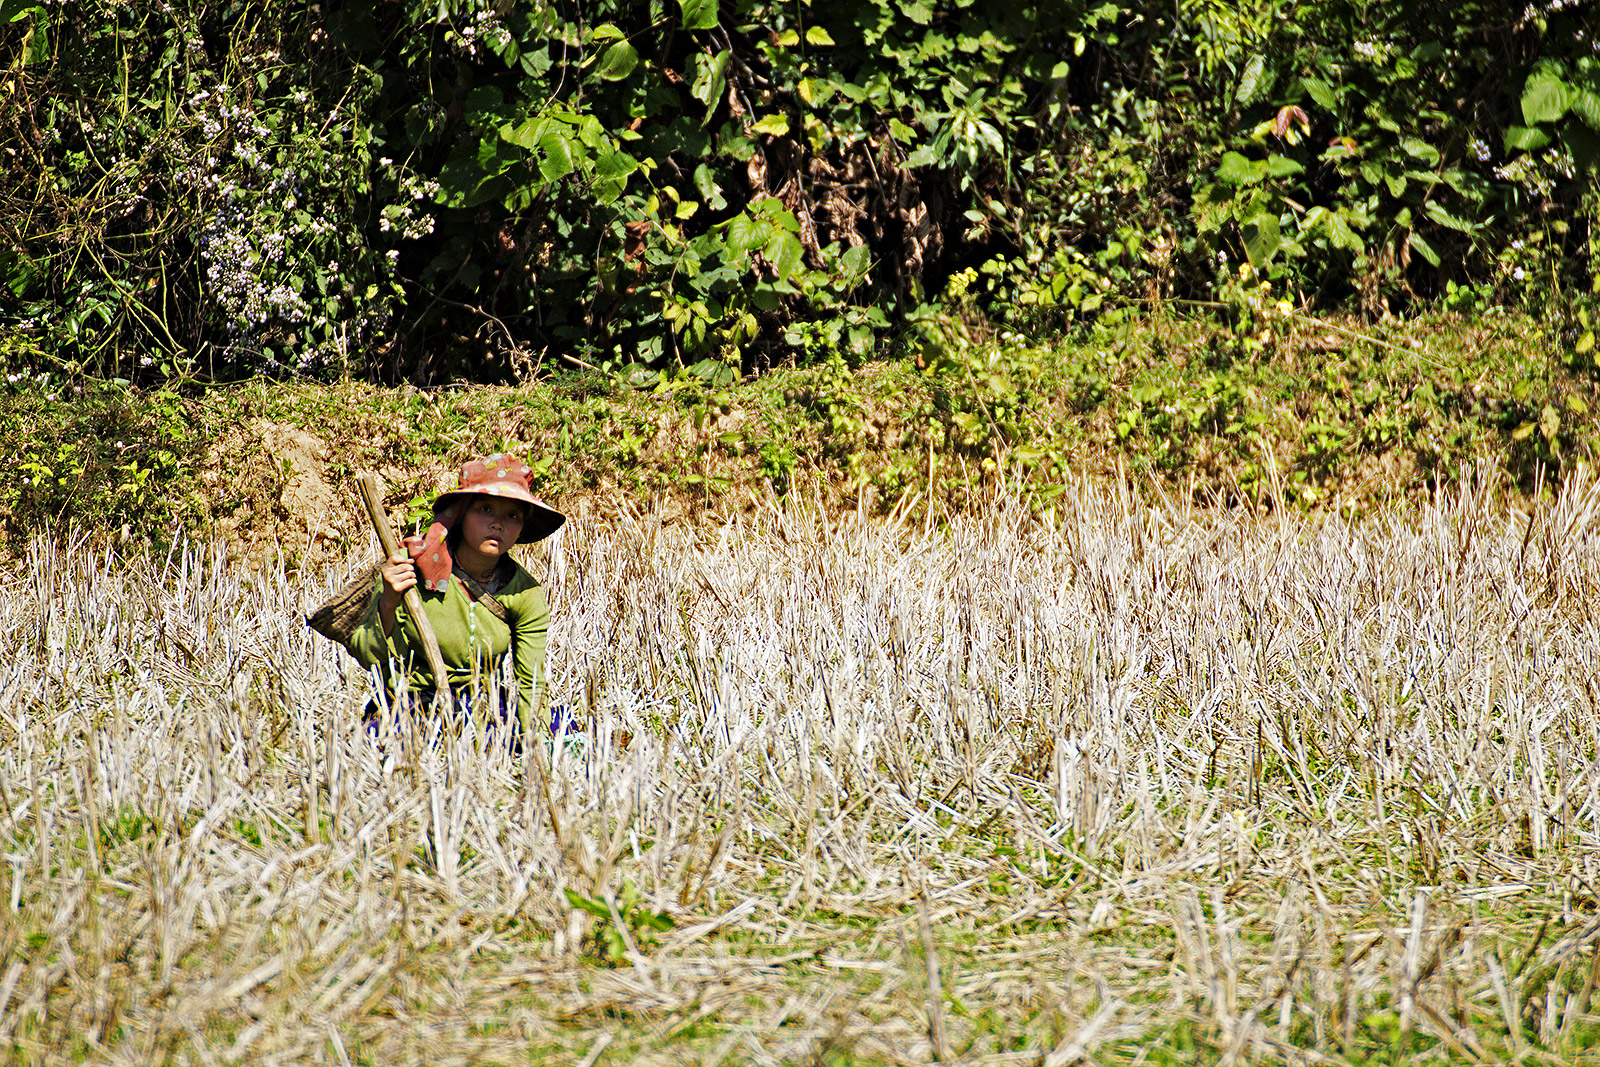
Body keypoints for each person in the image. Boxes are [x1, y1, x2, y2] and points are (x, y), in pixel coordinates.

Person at [348, 454, 564, 742]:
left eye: (512, 515)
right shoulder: (409, 567)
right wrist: (389, 600)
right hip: (410, 705)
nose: (498, 524)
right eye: (485, 509)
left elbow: (532, 684)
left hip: (482, 709)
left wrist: (536, 746)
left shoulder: (525, 593)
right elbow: (367, 655)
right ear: (461, 514)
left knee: (564, 730)